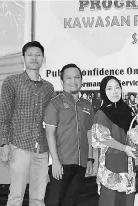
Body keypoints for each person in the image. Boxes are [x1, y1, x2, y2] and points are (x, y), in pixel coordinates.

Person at [0, 41, 55, 206]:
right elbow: (4, 114)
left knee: (38, 199)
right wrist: (4, 143)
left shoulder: (49, 88)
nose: (34, 58)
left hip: (42, 150)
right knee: (16, 196)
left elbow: (51, 121)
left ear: (43, 59)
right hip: (19, 146)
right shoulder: (12, 82)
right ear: (23, 58)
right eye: (30, 54)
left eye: (38, 55)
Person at [43, 63, 94, 206]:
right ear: (62, 81)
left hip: (81, 164)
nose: (73, 81)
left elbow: (89, 133)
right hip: (61, 163)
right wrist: (55, 162)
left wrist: (90, 158)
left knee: (71, 202)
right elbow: (49, 134)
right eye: (69, 78)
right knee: (54, 202)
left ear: (81, 80)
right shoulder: (55, 104)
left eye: (77, 77)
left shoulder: (87, 105)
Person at [91, 76, 137, 206]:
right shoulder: (102, 113)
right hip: (111, 161)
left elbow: (134, 133)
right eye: (109, 88)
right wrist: (124, 148)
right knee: (110, 199)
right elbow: (103, 138)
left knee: (126, 200)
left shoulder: (127, 110)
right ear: (103, 92)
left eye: (117, 87)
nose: (114, 91)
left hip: (127, 162)